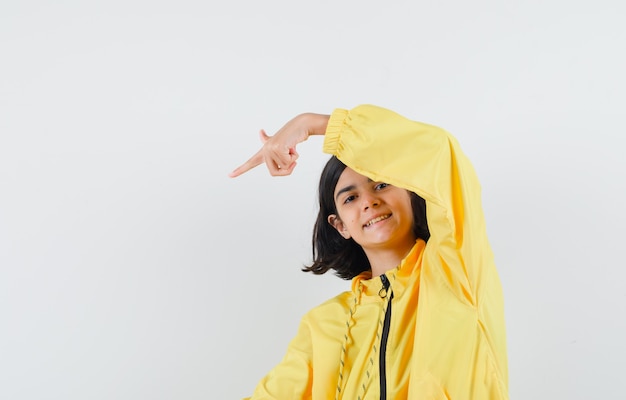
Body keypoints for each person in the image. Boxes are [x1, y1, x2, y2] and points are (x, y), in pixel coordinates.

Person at [229, 104, 509, 400]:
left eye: (381, 184)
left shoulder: (457, 272)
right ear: (340, 226)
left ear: (412, 192)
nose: (368, 201)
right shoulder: (323, 324)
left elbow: (440, 152)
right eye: (350, 197)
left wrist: (311, 123)